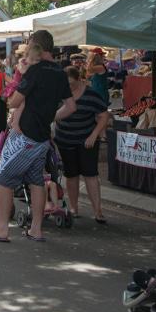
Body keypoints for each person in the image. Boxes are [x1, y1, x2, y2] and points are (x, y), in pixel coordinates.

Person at [0, 30, 74, 243]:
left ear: (35, 46)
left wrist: (19, 76)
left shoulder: (34, 70)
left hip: (25, 134)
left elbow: (13, 101)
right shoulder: (59, 72)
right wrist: (50, 117)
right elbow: (70, 105)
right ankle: (36, 230)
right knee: (36, 180)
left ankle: (2, 228)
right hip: (42, 136)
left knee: (3, 177)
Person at [54, 65, 112, 225]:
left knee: (90, 174)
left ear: (79, 80)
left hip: (87, 140)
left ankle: (98, 210)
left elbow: (104, 115)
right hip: (65, 139)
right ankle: (73, 208)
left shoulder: (91, 95)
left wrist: (94, 135)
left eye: (71, 83)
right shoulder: (59, 93)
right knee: (71, 175)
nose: (69, 87)